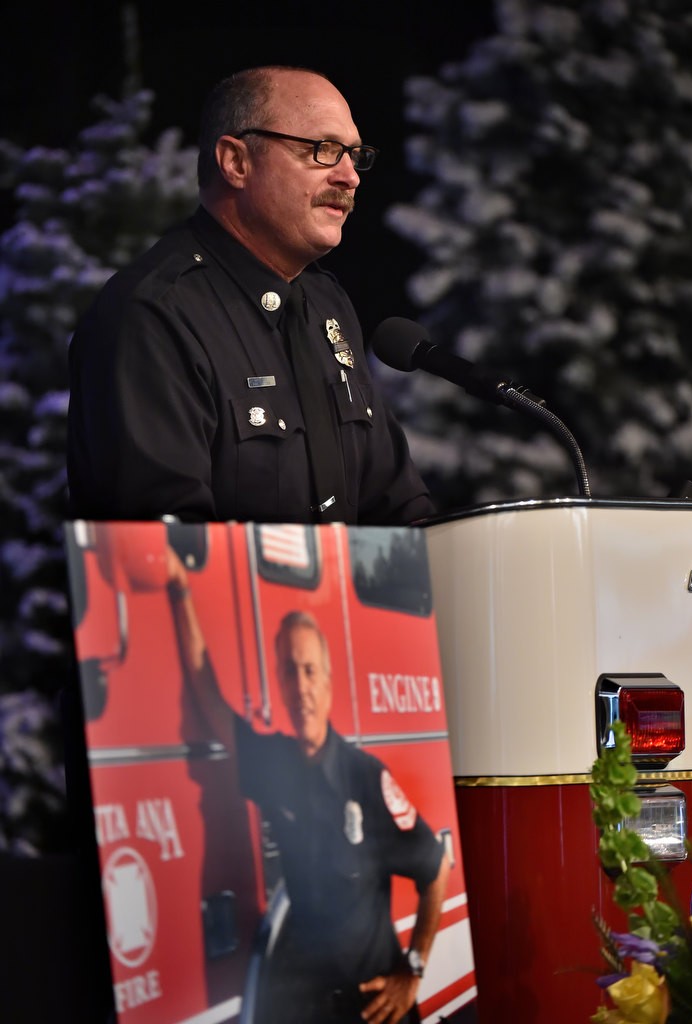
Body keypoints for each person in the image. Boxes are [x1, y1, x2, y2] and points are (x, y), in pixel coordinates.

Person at [66, 65, 435, 526]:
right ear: (236, 163)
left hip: (345, 597)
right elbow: (168, 553)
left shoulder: (326, 304)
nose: (350, 177)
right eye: (323, 151)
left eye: (355, 156)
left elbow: (400, 509)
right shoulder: (154, 314)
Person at [166, 546, 450, 1024]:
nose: (300, 685)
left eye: (310, 670)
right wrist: (179, 591)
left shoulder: (367, 776)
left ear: (328, 682)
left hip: (377, 1007)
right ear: (278, 681)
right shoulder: (274, 763)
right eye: (289, 671)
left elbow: (435, 870)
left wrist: (414, 969)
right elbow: (210, 700)